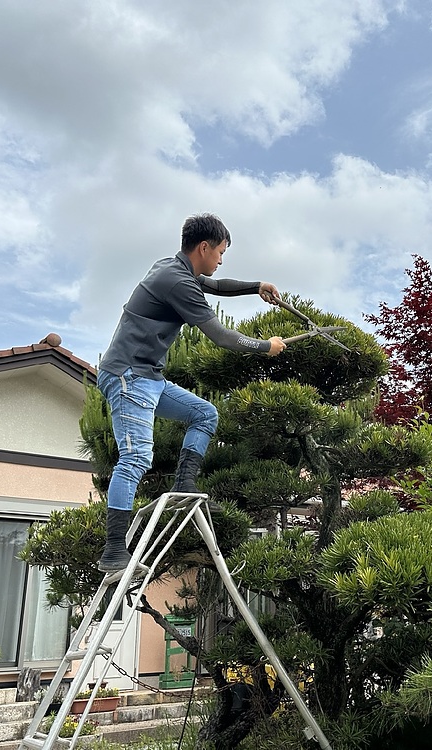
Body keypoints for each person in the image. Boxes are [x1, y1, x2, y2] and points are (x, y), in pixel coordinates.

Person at [96, 213, 286, 571]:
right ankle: (113, 550)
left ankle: (185, 485)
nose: (221, 260)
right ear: (204, 247)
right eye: (220, 253)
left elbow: (216, 286)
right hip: (128, 376)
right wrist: (265, 347)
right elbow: (221, 336)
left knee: (204, 413)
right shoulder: (177, 281)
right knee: (136, 458)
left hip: (149, 378)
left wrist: (255, 285)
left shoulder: (173, 268)